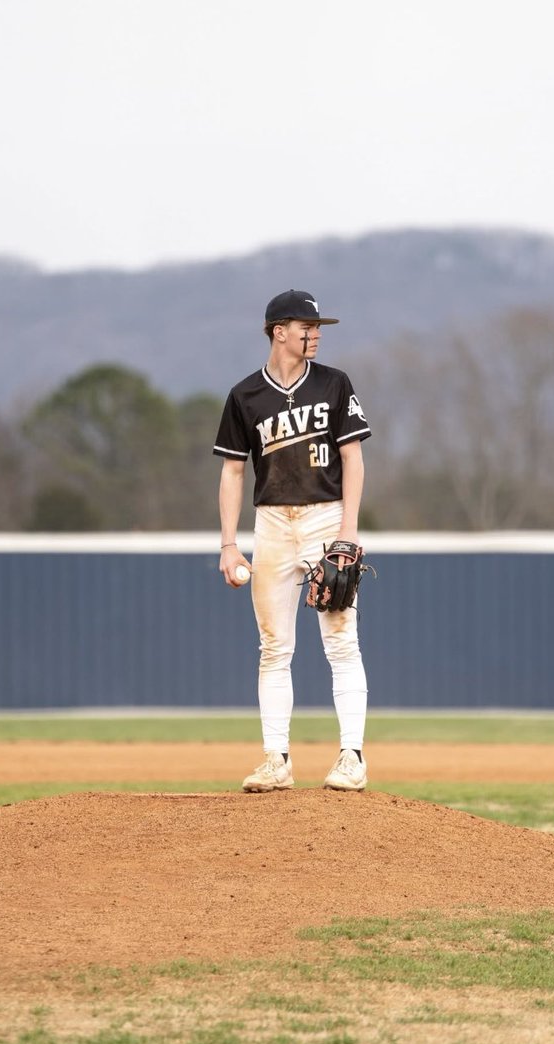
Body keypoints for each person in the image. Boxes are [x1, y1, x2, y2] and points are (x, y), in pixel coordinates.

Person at [213, 289, 371, 793]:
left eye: (319, 325)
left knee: (341, 641)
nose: (316, 333)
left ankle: (352, 757)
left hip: (325, 518)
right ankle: (275, 760)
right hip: (272, 524)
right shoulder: (245, 396)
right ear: (279, 330)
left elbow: (353, 459)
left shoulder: (334, 384)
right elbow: (233, 472)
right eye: (307, 325)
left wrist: (347, 532)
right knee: (273, 647)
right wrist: (228, 544)